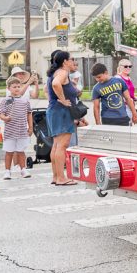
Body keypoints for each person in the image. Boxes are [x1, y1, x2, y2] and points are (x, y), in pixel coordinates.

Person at [46, 50, 80, 186]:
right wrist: (63, 100)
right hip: (61, 112)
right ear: (65, 61)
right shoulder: (62, 72)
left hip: (54, 111)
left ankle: (56, 176)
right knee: (62, 145)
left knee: (56, 145)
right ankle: (61, 178)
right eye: (71, 59)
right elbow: (55, 84)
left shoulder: (56, 72)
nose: (73, 62)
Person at [0, 77, 34, 179]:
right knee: (9, 152)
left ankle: (23, 169)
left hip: (22, 130)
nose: (17, 88)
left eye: (18, 86)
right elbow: (1, 114)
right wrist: (5, 118)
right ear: (8, 88)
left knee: (21, 151)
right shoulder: (6, 100)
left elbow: (29, 114)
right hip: (10, 131)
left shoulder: (25, 100)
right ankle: (7, 171)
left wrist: (30, 127)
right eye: (14, 87)